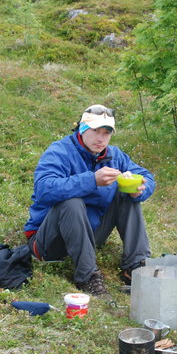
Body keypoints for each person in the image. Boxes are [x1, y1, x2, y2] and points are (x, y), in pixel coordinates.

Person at [24, 105, 155, 297]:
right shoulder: (60, 151)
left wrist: (140, 189)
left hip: (90, 236)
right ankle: (88, 277)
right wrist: (92, 180)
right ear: (82, 129)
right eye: (95, 131)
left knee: (125, 192)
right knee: (71, 201)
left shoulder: (114, 155)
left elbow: (146, 176)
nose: (101, 138)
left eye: (106, 133)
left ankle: (135, 268)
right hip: (49, 241)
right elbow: (44, 189)